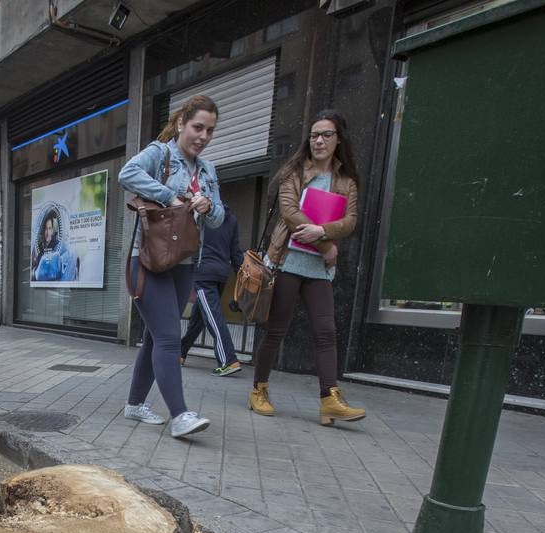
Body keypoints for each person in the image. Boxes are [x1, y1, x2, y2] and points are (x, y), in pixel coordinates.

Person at [248, 109, 366, 426]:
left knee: (326, 333)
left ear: (338, 139)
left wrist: (323, 232)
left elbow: (350, 221)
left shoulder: (346, 181)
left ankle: (330, 399)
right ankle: (258, 389)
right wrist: (325, 243)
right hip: (288, 261)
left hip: (319, 270)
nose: (319, 140)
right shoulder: (295, 172)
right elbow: (289, 212)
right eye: (314, 134)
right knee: (276, 331)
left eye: (326, 134)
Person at [117, 95, 224, 439]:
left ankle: (134, 404)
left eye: (209, 130)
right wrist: (169, 196)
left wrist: (207, 207)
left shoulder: (208, 170)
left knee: (154, 337)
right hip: (147, 261)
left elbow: (220, 218)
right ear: (181, 124)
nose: (203, 136)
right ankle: (180, 415)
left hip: (185, 263)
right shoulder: (161, 153)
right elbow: (127, 173)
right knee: (167, 337)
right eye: (197, 127)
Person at [179, 202, 243, 377]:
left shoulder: (201, 217)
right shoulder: (231, 219)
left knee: (213, 317)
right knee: (198, 317)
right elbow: (236, 252)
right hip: (222, 274)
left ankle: (228, 359)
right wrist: (241, 277)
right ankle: (180, 352)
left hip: (203, 273)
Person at [31, 204, 78, 282]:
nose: (47, 232)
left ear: (52, 230)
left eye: (49, 228)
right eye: (45, 228)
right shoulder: (37, 248)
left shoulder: (59, 248)